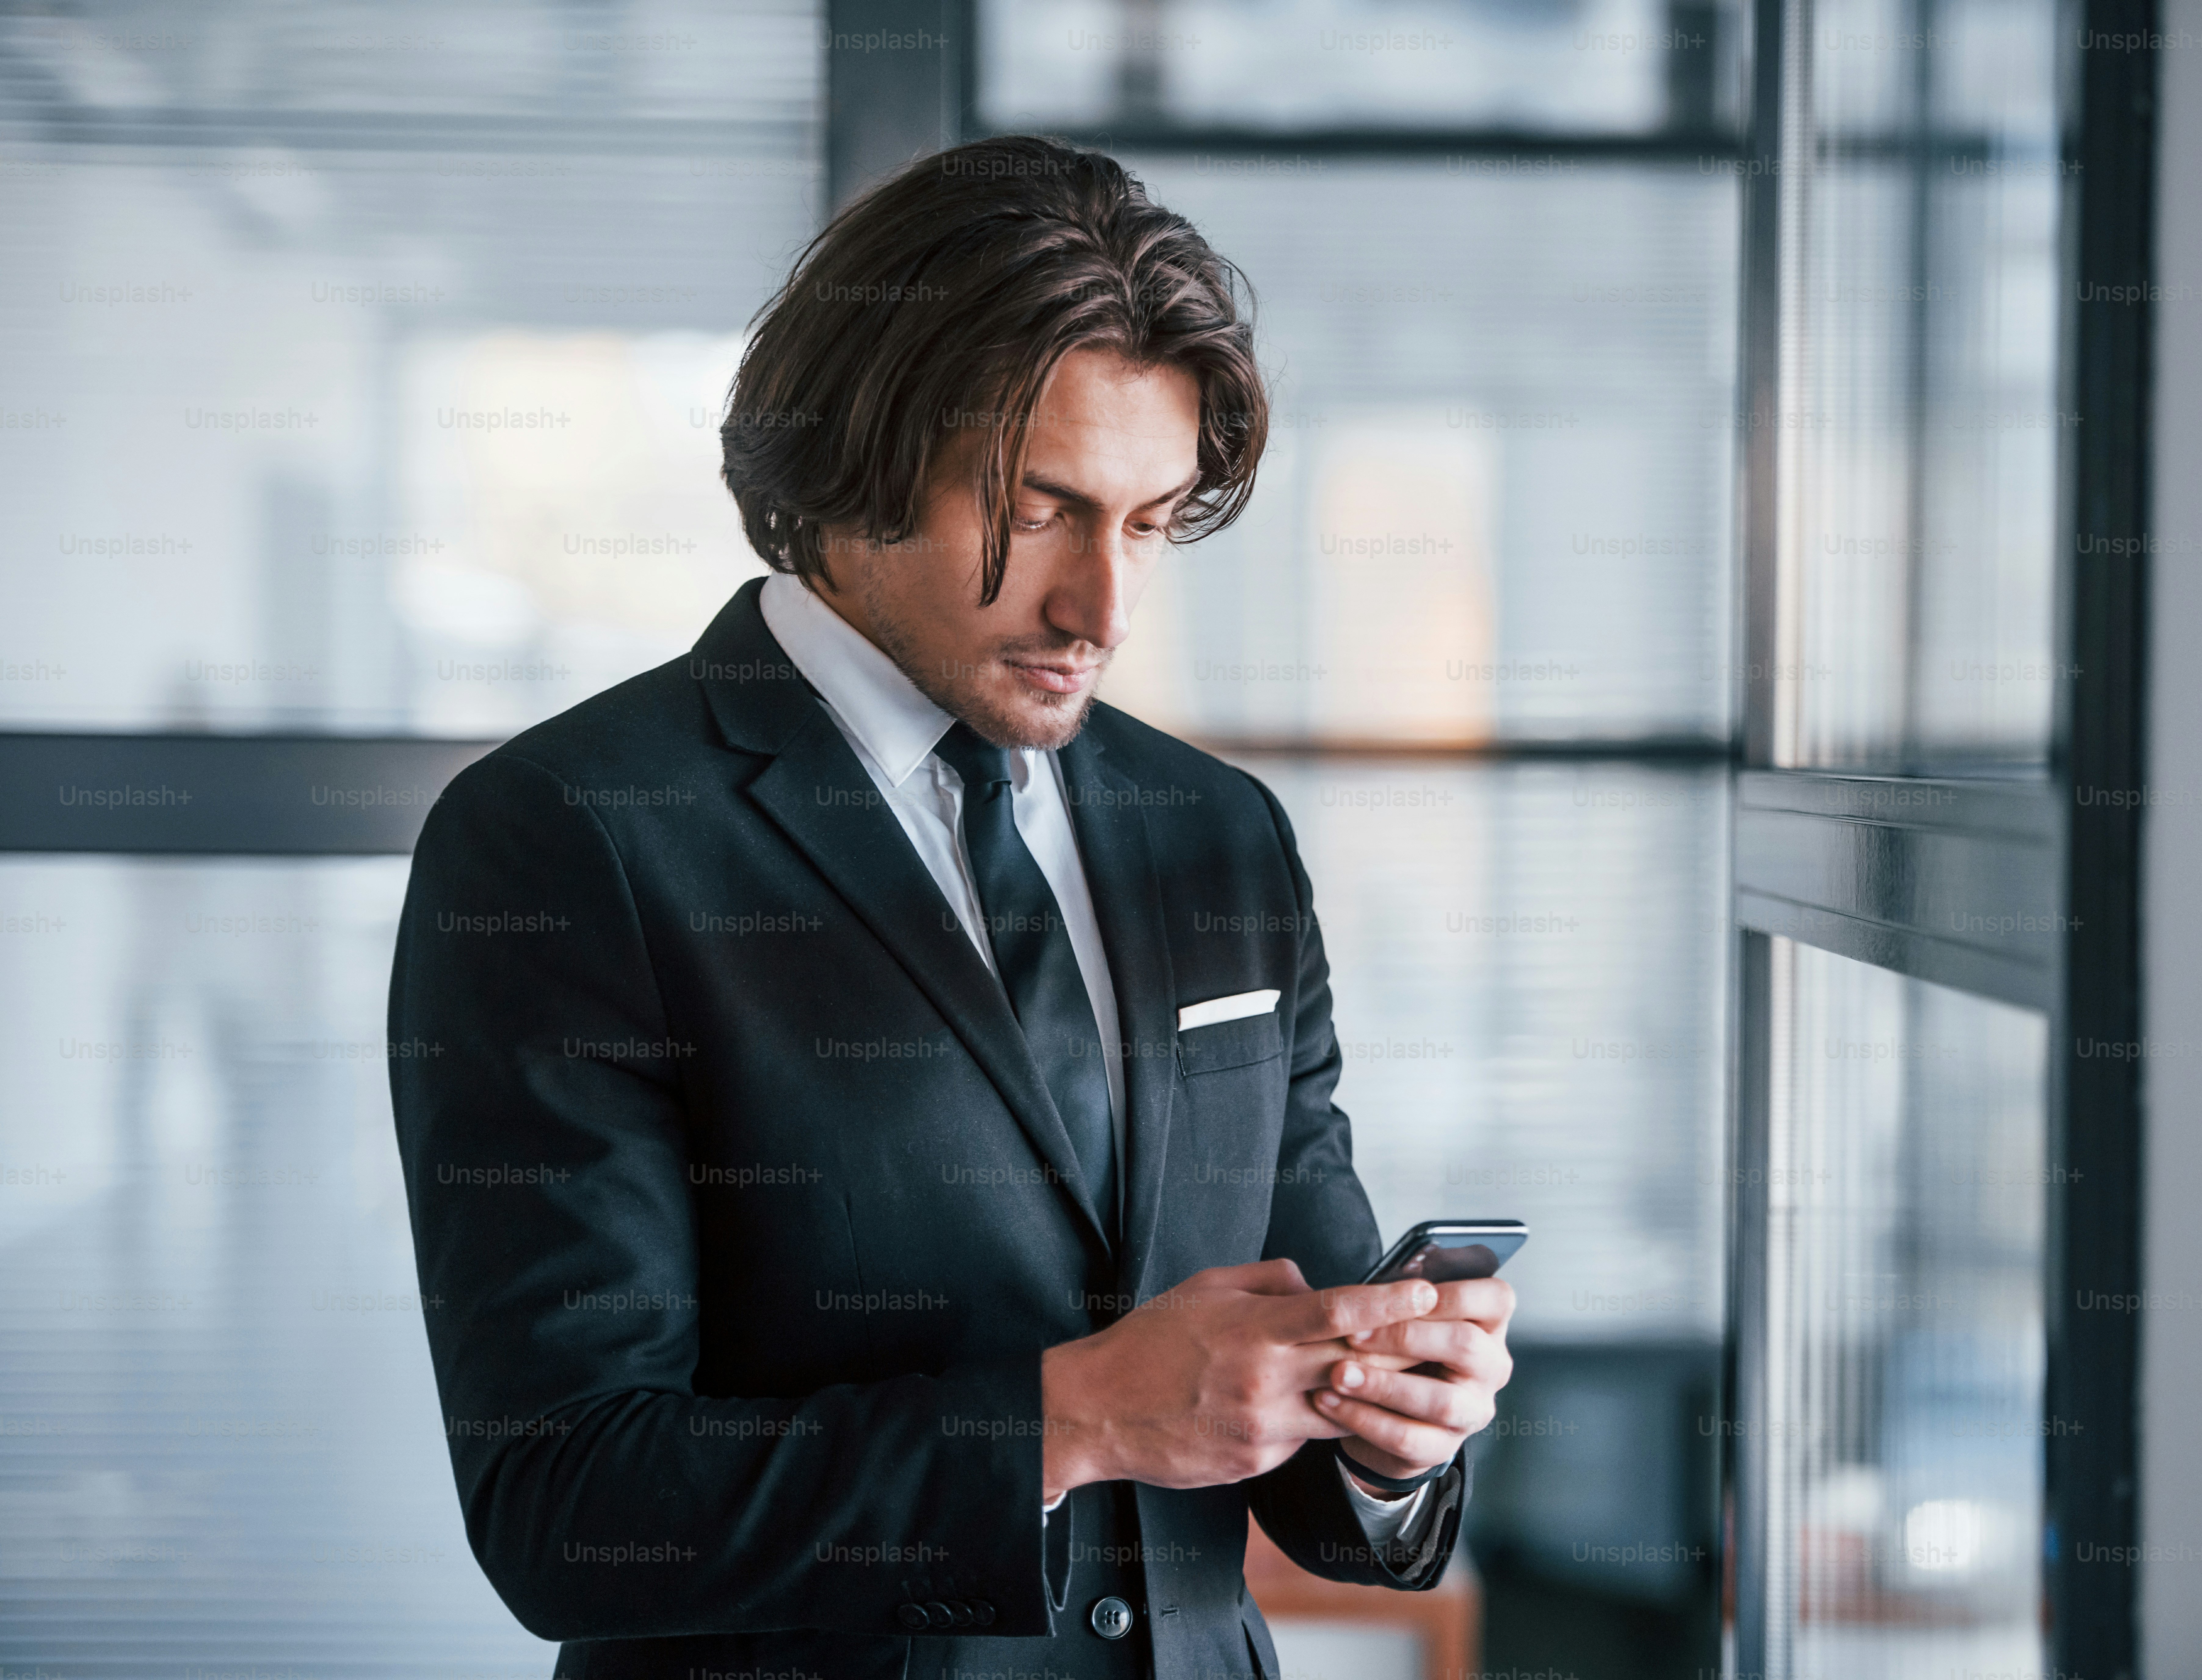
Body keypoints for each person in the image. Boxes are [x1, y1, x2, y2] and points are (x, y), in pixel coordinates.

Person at [388, 133, 1514, 1680]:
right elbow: (570, 1501)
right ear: (855, 457)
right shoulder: (569, 837)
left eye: (1144, 521)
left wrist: (1393, 1433)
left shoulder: (1221, 833)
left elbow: (1298, 1396)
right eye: (1041, 510)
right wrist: (1081, 1413)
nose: (1101, 612)